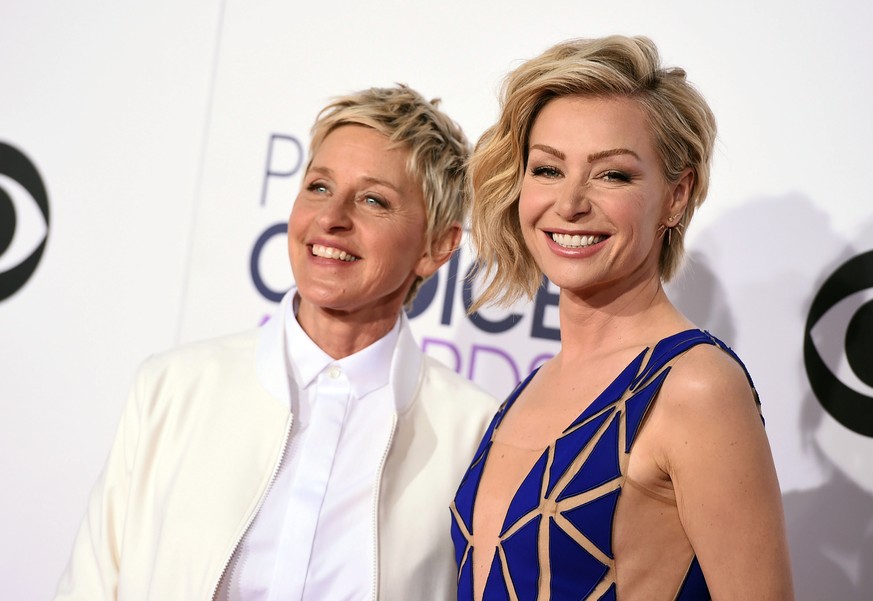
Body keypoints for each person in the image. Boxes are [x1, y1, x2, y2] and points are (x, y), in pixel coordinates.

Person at [55, 85, 497, 601]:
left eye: (374, 199)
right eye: (318, 187)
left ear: (437, 246)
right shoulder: (171, 388)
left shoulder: (476, 436)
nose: (331, 218)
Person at [450, 36, 794, 600]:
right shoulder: (532, 387)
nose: (570, 204)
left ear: (676, 197)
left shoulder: (695, 388)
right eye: (547, 169)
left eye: (612, 175)